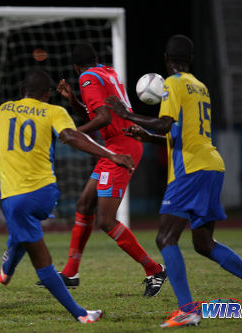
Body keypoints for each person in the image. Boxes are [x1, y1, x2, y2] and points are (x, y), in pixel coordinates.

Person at [106, 34, 242, 328]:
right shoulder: (200, 87)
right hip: (212, 165)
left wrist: (127, 115)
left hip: (190, 170)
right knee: (203, 242)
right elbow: (177, 133)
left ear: (166, 59)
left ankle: (187, 309)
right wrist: (147, 137)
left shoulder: (172, 83)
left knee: (165, 238)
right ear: (191, 60)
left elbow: (165, 124)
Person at [0, 68, 136, 323]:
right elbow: (71, 136)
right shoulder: (53, 111)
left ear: (23, 91)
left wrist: (9, 162)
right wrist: (110, 154)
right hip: (46, 195)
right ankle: (77, 311)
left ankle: (77, 311)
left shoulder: (0, 111)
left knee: (37, 253)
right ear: (47, 93)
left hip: (15, 198)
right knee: (32, 240)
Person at [46, 43, 166, 296]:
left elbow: (104, 119)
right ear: (96, 59)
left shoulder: (87, 78)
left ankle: (154, 270)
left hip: (121, 147)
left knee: (106, 220)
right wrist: (74, 101)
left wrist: (73, 134)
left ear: (77, 67)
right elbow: (100, 113)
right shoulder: (107, 72)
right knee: (84, 204)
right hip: (119, 144)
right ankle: (70, 272)